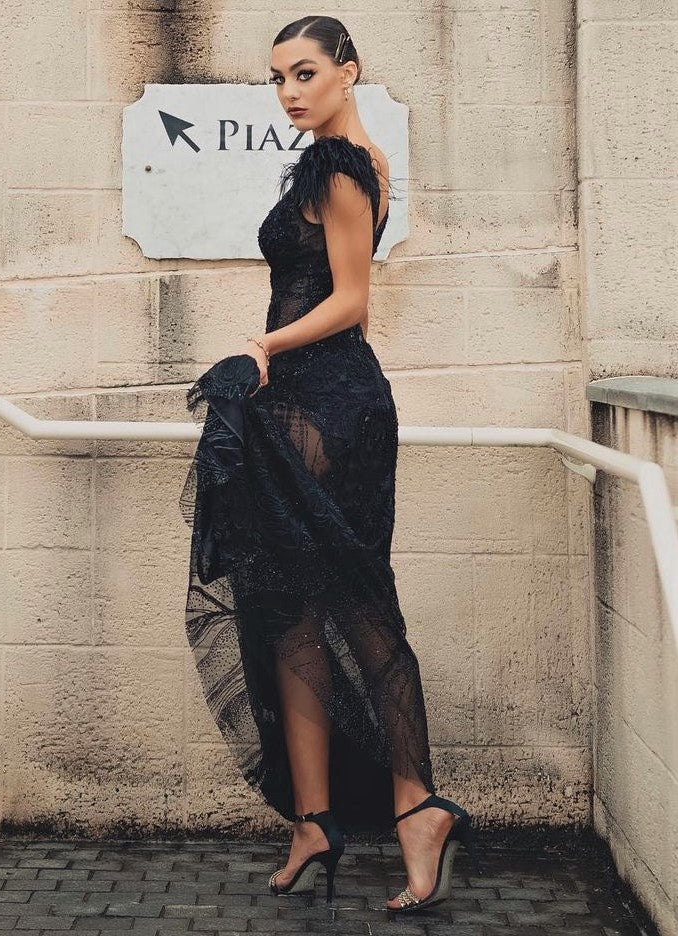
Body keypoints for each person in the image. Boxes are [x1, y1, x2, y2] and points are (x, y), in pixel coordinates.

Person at [179, 14, 478, 914]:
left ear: (350, 70)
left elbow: (351, 301)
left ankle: (418, 806)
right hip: (311, 401)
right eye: (278, 77)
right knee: (288, 613)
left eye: (305, 72)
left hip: (329, 407)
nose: (289, 92)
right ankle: (314, 821)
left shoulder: (341, 167)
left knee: (355, 604)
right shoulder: (344, 162)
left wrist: (262, 346)